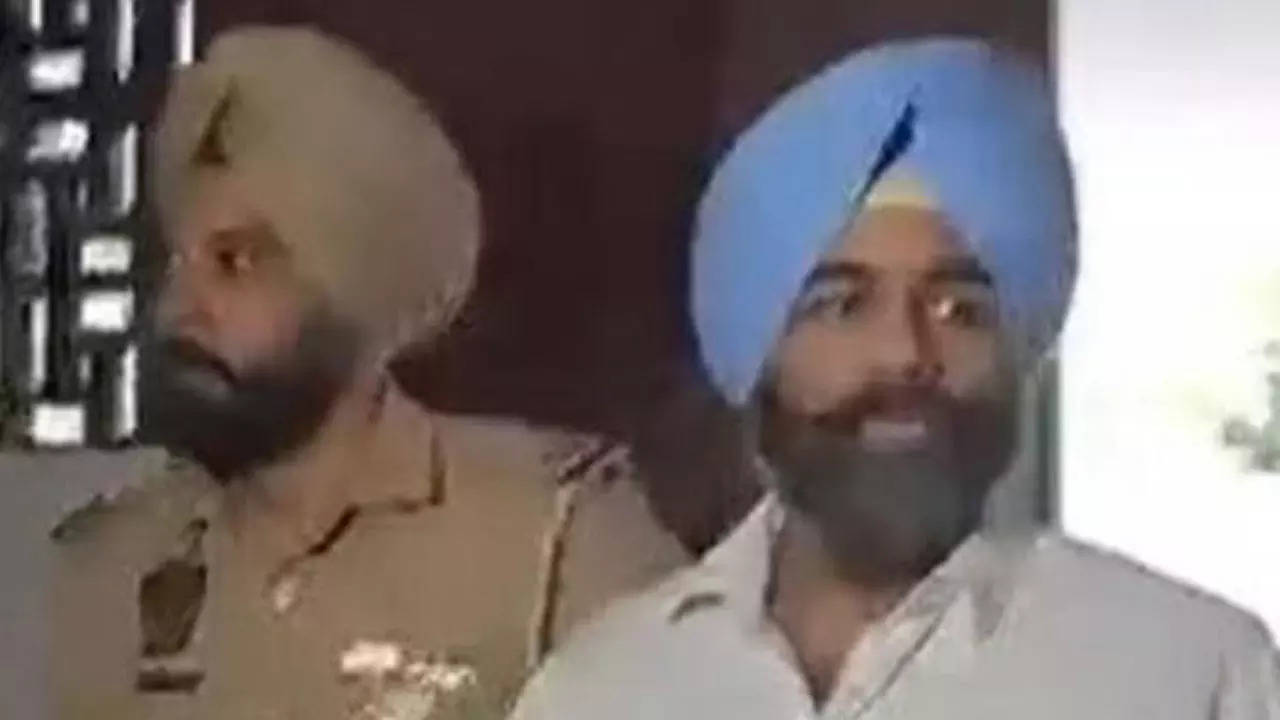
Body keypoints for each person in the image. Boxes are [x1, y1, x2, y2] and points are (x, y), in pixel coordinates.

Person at [509, 37, 1280, 720]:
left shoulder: (1188, 673)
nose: (906, 352)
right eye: (843, 305)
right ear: (757, 349)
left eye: (957, 308)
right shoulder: (601, 690)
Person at [48, 26, 685, 720]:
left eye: (237, 263)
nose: (179, 309)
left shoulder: (560, 537)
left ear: (356, 284)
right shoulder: (112, 560)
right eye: (173, 264)